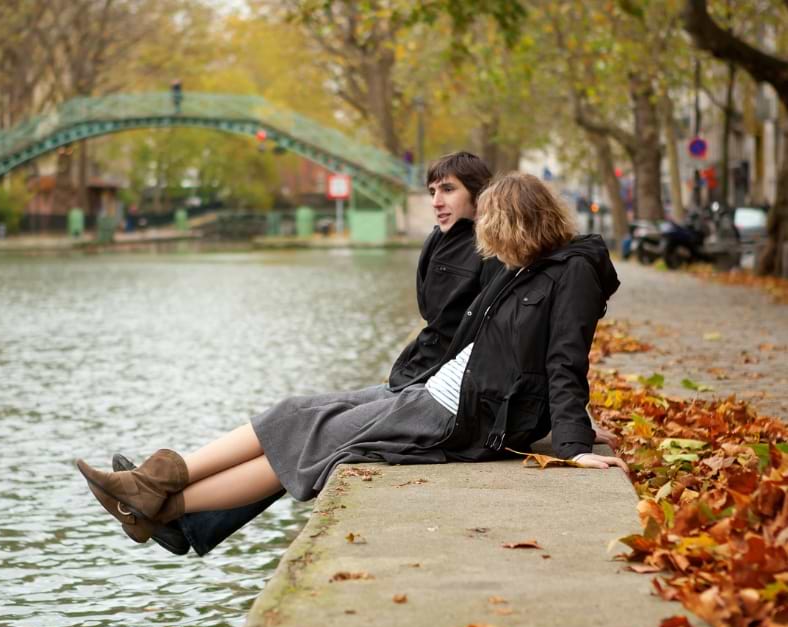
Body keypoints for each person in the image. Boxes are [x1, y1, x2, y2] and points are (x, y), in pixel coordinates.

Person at [76, 172, 626, 547]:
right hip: (437, 394)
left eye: (493, 226)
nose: (487, 238)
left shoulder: (570, 271)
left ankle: (162, 508)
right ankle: (156, 486)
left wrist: (575, 444)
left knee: (311, 443)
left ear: (518, 223)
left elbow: (564, 359)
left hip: (458, 416)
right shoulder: (529, 267)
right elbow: (468, 336)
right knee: (297, 414)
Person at [112, 152, 504, 556]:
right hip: (418, 382)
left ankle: (166, 504)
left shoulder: (484, 252)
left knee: (308, 432)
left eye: (448, 190)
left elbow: (462, 336)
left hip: (432, 394)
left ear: (480, 193)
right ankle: (165, 497)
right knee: (295, 418)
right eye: (432, 191)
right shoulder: (440, 242)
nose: (437, 200)